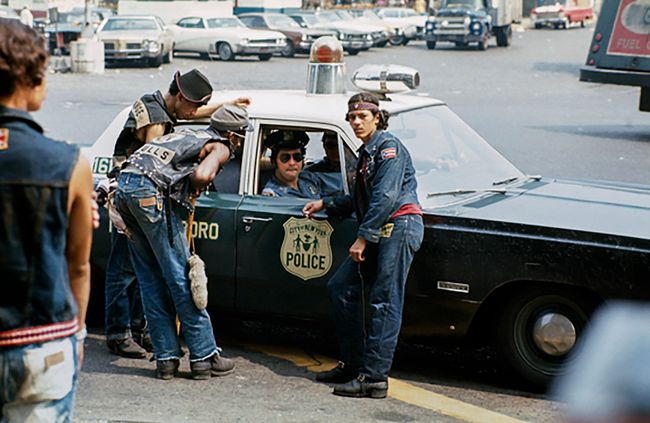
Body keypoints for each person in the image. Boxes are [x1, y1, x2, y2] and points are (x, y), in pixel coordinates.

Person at [104, 69, 250, 359]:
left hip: (129, 192)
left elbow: (191, 114)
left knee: (147, 273)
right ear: (181, 96)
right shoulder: (156, 121)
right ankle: (121, 333)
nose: (196, 112)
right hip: (138, 193)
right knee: (138, 271)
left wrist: (228, 103)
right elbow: (153, 166)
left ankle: (156, 343)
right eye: (194, 105)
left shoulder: (160, 105)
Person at [302, 92, 424, 399]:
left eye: (363, 117)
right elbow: (359, 199)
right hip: (381, 228)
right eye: (352, 117)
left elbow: (385, 197)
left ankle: (374, 379)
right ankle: (353, 365)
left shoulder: (388, 148)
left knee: (385, 301)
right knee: (340, 287)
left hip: (399, 226)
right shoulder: (366, 153)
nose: (356, 122)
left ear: (377, 118)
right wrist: (325, 203)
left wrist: (362, 238)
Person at [0, 18, 92, 420]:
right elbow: (79, 265)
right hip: (42, 346)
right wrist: (80, 332)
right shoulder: (69, 164)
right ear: (33, 80)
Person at [261, 129, 324, 199]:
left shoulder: (309, 178)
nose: (292, 163)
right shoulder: (273, 195)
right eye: (285, 158)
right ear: (274, 161)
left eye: (297, 157)